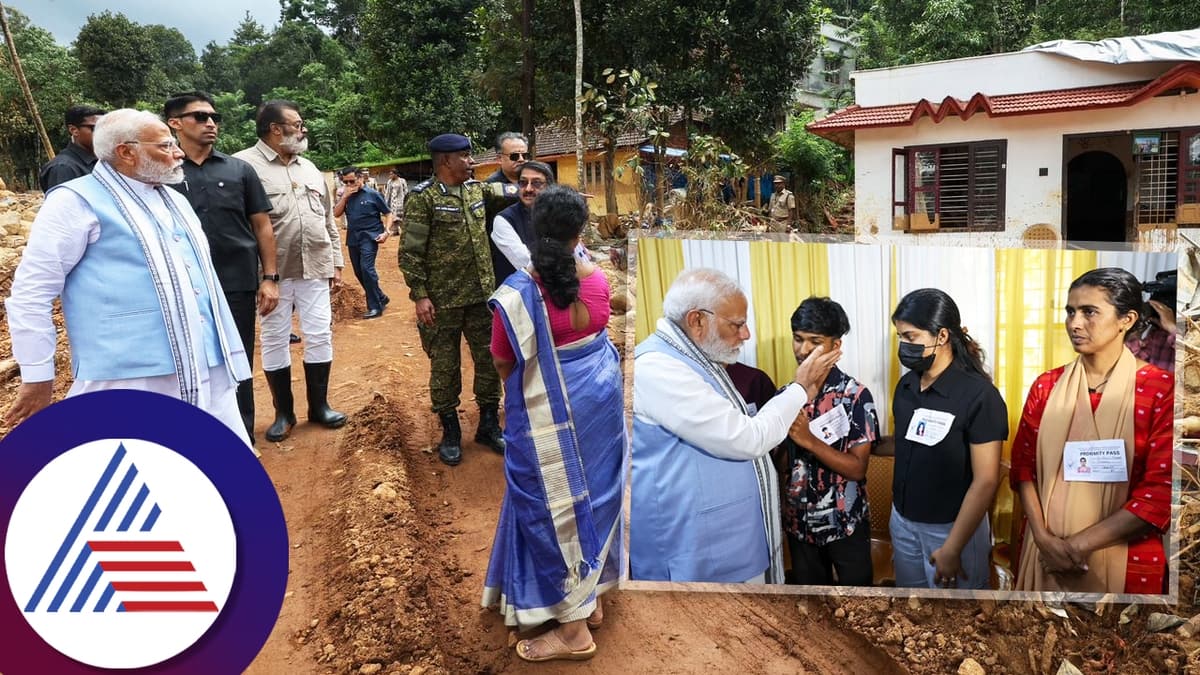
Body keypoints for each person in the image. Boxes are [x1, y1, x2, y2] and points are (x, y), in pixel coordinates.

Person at [4, 109, 252, 450]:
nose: (178, 153)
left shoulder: (175, 199)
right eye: (166, 146)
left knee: (215, 472)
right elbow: (32, 292)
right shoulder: (74, 202)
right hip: (130, 375)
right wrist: (37, 374)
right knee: (135, 472)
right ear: (126, 152)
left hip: (206, 362)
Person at [482, 185, 622, 662]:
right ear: (580, 230)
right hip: (600, 403)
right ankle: (592, 596)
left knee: (551, 504)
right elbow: (595, 332)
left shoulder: (519, 294)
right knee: (597, 495)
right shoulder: (599, 281)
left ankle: (574, 629)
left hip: (549, 411)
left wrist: (510, 401)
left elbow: (504, 362)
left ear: (535, 228)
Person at [630, 268, 840, 583]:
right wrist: (800, 389)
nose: (746, 335)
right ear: (697, 321)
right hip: (695, 548)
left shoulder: (699, 359)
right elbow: (746, 438)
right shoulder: (658, 369)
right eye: (738, 325)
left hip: (728, 542)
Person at [1011, 268, 1172, 594]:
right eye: (1070, 311)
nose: (1074, 323)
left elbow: (1159, 493)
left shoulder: (1160, 389)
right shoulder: (1047, 386)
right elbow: (1024, 469)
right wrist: (1043, 539)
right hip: (1043, 555)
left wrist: (1075, 546)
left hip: (1125, 562)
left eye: (1089, 312)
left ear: (1126, 319)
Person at [165, 91, 279, 445]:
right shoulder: (163, 171)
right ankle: (194, 439)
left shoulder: (238, 170)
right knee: (186, 360)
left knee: (237, 358)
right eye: (199, 117)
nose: (210, 123)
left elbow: (262, 225)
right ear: (174, 123)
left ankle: (241, 438)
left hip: (235, 282)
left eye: (214, 117)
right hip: (178, 285)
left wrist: (270, 278)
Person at [400, 133, 518, 466]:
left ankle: (489, 425)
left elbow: (514, 191)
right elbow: (410, 253)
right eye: (465, 157)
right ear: (445, 161)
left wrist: (547, 189)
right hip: (443, 301)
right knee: (444, 366)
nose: (471, 162)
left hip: (481, 297)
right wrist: (420, 295)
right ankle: (450, 429)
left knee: (489, 361)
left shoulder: (476, 191)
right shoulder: (422, 199)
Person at [234, 100, 347, 442]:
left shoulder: (310, 169)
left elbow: (327, 219)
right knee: (274, 338)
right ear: (275, 129)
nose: (303, 129)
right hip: (272, 274)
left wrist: (337, 262)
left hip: (315, 266)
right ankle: (284, 413)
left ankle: (319, 406)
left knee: (320, 334)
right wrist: (260, 278)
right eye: (297, 124)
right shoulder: (243, 166)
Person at [884, 288, 1007, 590]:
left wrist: (953, 547)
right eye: (899, 336)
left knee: (955, 621)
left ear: (941, 336)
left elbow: (986, 480)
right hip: (903, 522)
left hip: (952, 529)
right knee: (912, 610)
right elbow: (909, 444)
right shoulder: (907, 386)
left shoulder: (980, 396)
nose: (903, 345)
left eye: (910, 337)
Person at [781, 297, 879, 587]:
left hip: (845, 524)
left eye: (815, 341)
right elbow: (781, 466)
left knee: (859, 606)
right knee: (811, 610)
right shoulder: (785, 396)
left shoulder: (856, 396)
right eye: (798, 339)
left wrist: (809, 440)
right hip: (799, 526)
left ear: (835, 347)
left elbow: (857, 469)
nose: (803, 350)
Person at [333, 166, 392, 319]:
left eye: (352, 181)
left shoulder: (373, 195)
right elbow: (336, 214)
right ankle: (380, 296)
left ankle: (375, 306)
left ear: (360, 178)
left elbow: (388, 213)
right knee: (358, 272)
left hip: (370, 236)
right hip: (353, 237)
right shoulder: (346, 196)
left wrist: (387, 232)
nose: (349, 185)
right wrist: (344, 197)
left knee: (367, 269)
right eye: (345, 182)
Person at [489, 160, 554, 285]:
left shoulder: (556, 213)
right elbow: (529, 265)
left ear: (549, 187)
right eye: (523, 183)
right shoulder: (504, 220)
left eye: (536, 183)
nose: (528, 189)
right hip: (521, 296)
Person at [39, 105, 106, 192]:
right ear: (74, 130)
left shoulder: (101, 162)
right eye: (96, 128)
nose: (103, 133)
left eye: (105, 129)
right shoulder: (63, 168)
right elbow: (63, 204)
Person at [1124, 282, 1176, 372]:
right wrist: (1135, 331)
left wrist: (1172, 328)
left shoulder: (1190, 334)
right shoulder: (1158, 334)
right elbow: (1129, 364)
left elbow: (1192, 353)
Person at [384, 168, 408, 235]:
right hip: (393, 202)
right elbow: (387, 193)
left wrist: (407, 199)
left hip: (401, 201)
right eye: (390, 174)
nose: (390, 176)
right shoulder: (389, 182)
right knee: (393, 216)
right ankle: (395, 231)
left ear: (395, 174)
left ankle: (404, 230)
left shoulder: (402, 181)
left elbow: (406, 191)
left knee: (400, 217)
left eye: (391, 174)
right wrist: (386, 202)